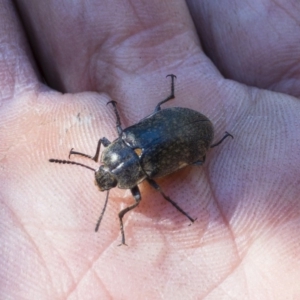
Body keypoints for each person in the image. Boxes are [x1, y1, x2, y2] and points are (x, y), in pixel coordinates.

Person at [1, 1, 299, 299]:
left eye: (103, 168)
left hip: (189, 129)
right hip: (171, 130)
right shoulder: (124, 140)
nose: (106, 175)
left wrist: (121, 217)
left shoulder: (134, 163)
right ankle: (205, 139)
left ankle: (210, 145)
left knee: (190, 162)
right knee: (165, 123)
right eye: (108, 173)